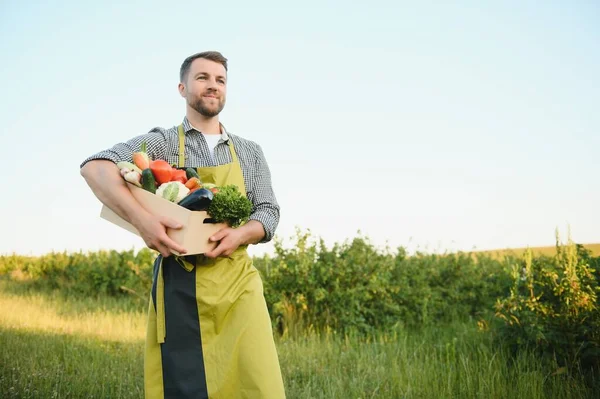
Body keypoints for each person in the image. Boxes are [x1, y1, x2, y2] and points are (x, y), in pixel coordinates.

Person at [80, 51, 286, 399]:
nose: (213, 86)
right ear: (182, 87)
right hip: (180, 284)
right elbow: (94, 167)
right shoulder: (161, 142)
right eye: (203, 77)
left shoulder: (249, 152)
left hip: (238, 283)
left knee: (257, 384)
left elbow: (268, 212)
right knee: (186, 386)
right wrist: (144, 220)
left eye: (220, 80)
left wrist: (239, 234)